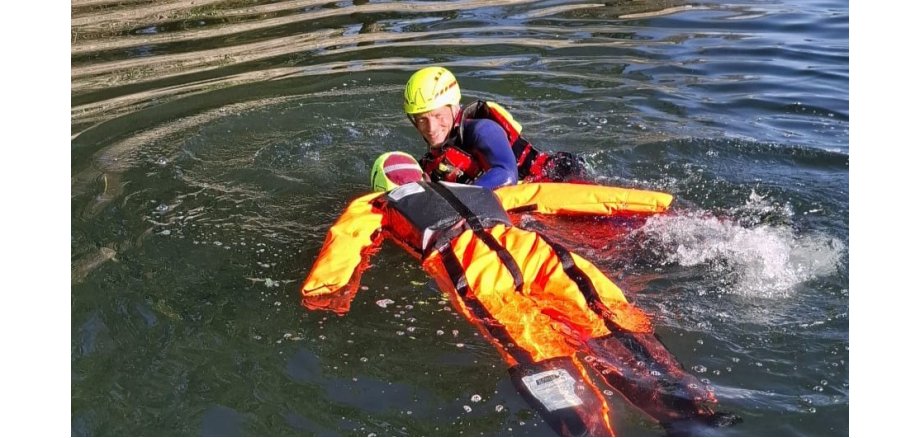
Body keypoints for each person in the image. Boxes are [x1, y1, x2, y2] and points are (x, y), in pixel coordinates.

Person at [300, 152, 737, 436]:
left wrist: (326, 293)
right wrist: (657, 203)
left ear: (382, 181)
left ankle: (590, 432)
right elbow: (554, 195)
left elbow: (347, 237)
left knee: (537, 353)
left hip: (472, 264)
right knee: (610, 324)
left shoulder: (378, 202)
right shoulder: (478, 190)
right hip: (540, 253)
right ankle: (696, 421)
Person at [403, 66, 586, 189]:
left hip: (562, 175)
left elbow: (506, 174)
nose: (431, 128)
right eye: (421, 120)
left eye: (438, 115)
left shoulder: (483, 129)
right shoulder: (432, 161)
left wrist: (462, 200)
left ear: (453, 108)